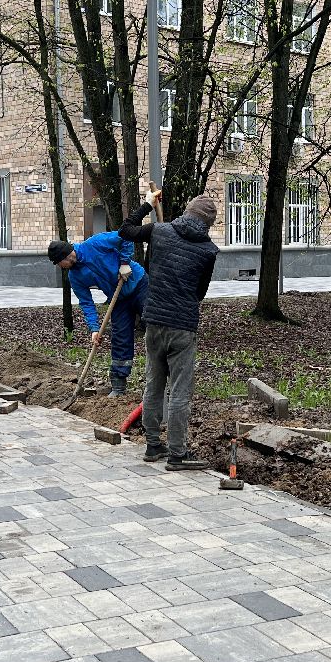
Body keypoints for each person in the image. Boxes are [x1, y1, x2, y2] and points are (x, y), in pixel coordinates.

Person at [118, 190, 218, 470]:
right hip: (182, 327)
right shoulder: (209, 251)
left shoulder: (159, 232)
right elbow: (200, 293)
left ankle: (153, 445)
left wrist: (147, 205)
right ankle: (177, 454)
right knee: (180, 391)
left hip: (154, 322)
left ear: (187, 211)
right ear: (208, 223)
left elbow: (125, 230)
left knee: (154, 384)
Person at [47, 229, 148, 396]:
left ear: (65, 257)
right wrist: (94, 328)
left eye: (58, 264)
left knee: (154, 326)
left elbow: (125, 236)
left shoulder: (95, 243)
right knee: (120, 337)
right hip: (118, 298)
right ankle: (118, 386)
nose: (60, 267)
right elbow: (86, 302)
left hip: (139, 285)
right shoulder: (75, 276)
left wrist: (124, 263)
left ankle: (161, 378)